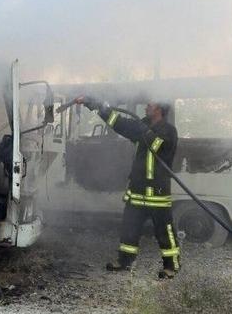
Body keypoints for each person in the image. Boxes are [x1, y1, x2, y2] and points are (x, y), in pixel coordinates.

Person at [77, 96, 181, 278]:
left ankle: (171, 267)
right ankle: (124, 262)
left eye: (151, 104)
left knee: (165, 232)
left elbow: (157, 145)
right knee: (128, 230)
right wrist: (94, 104)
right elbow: (118, 123)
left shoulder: (169, 130)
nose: (147, 106)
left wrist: (144, 129)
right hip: (137, 191)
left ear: (159, 109)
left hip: (157, 194)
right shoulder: (143, 124)